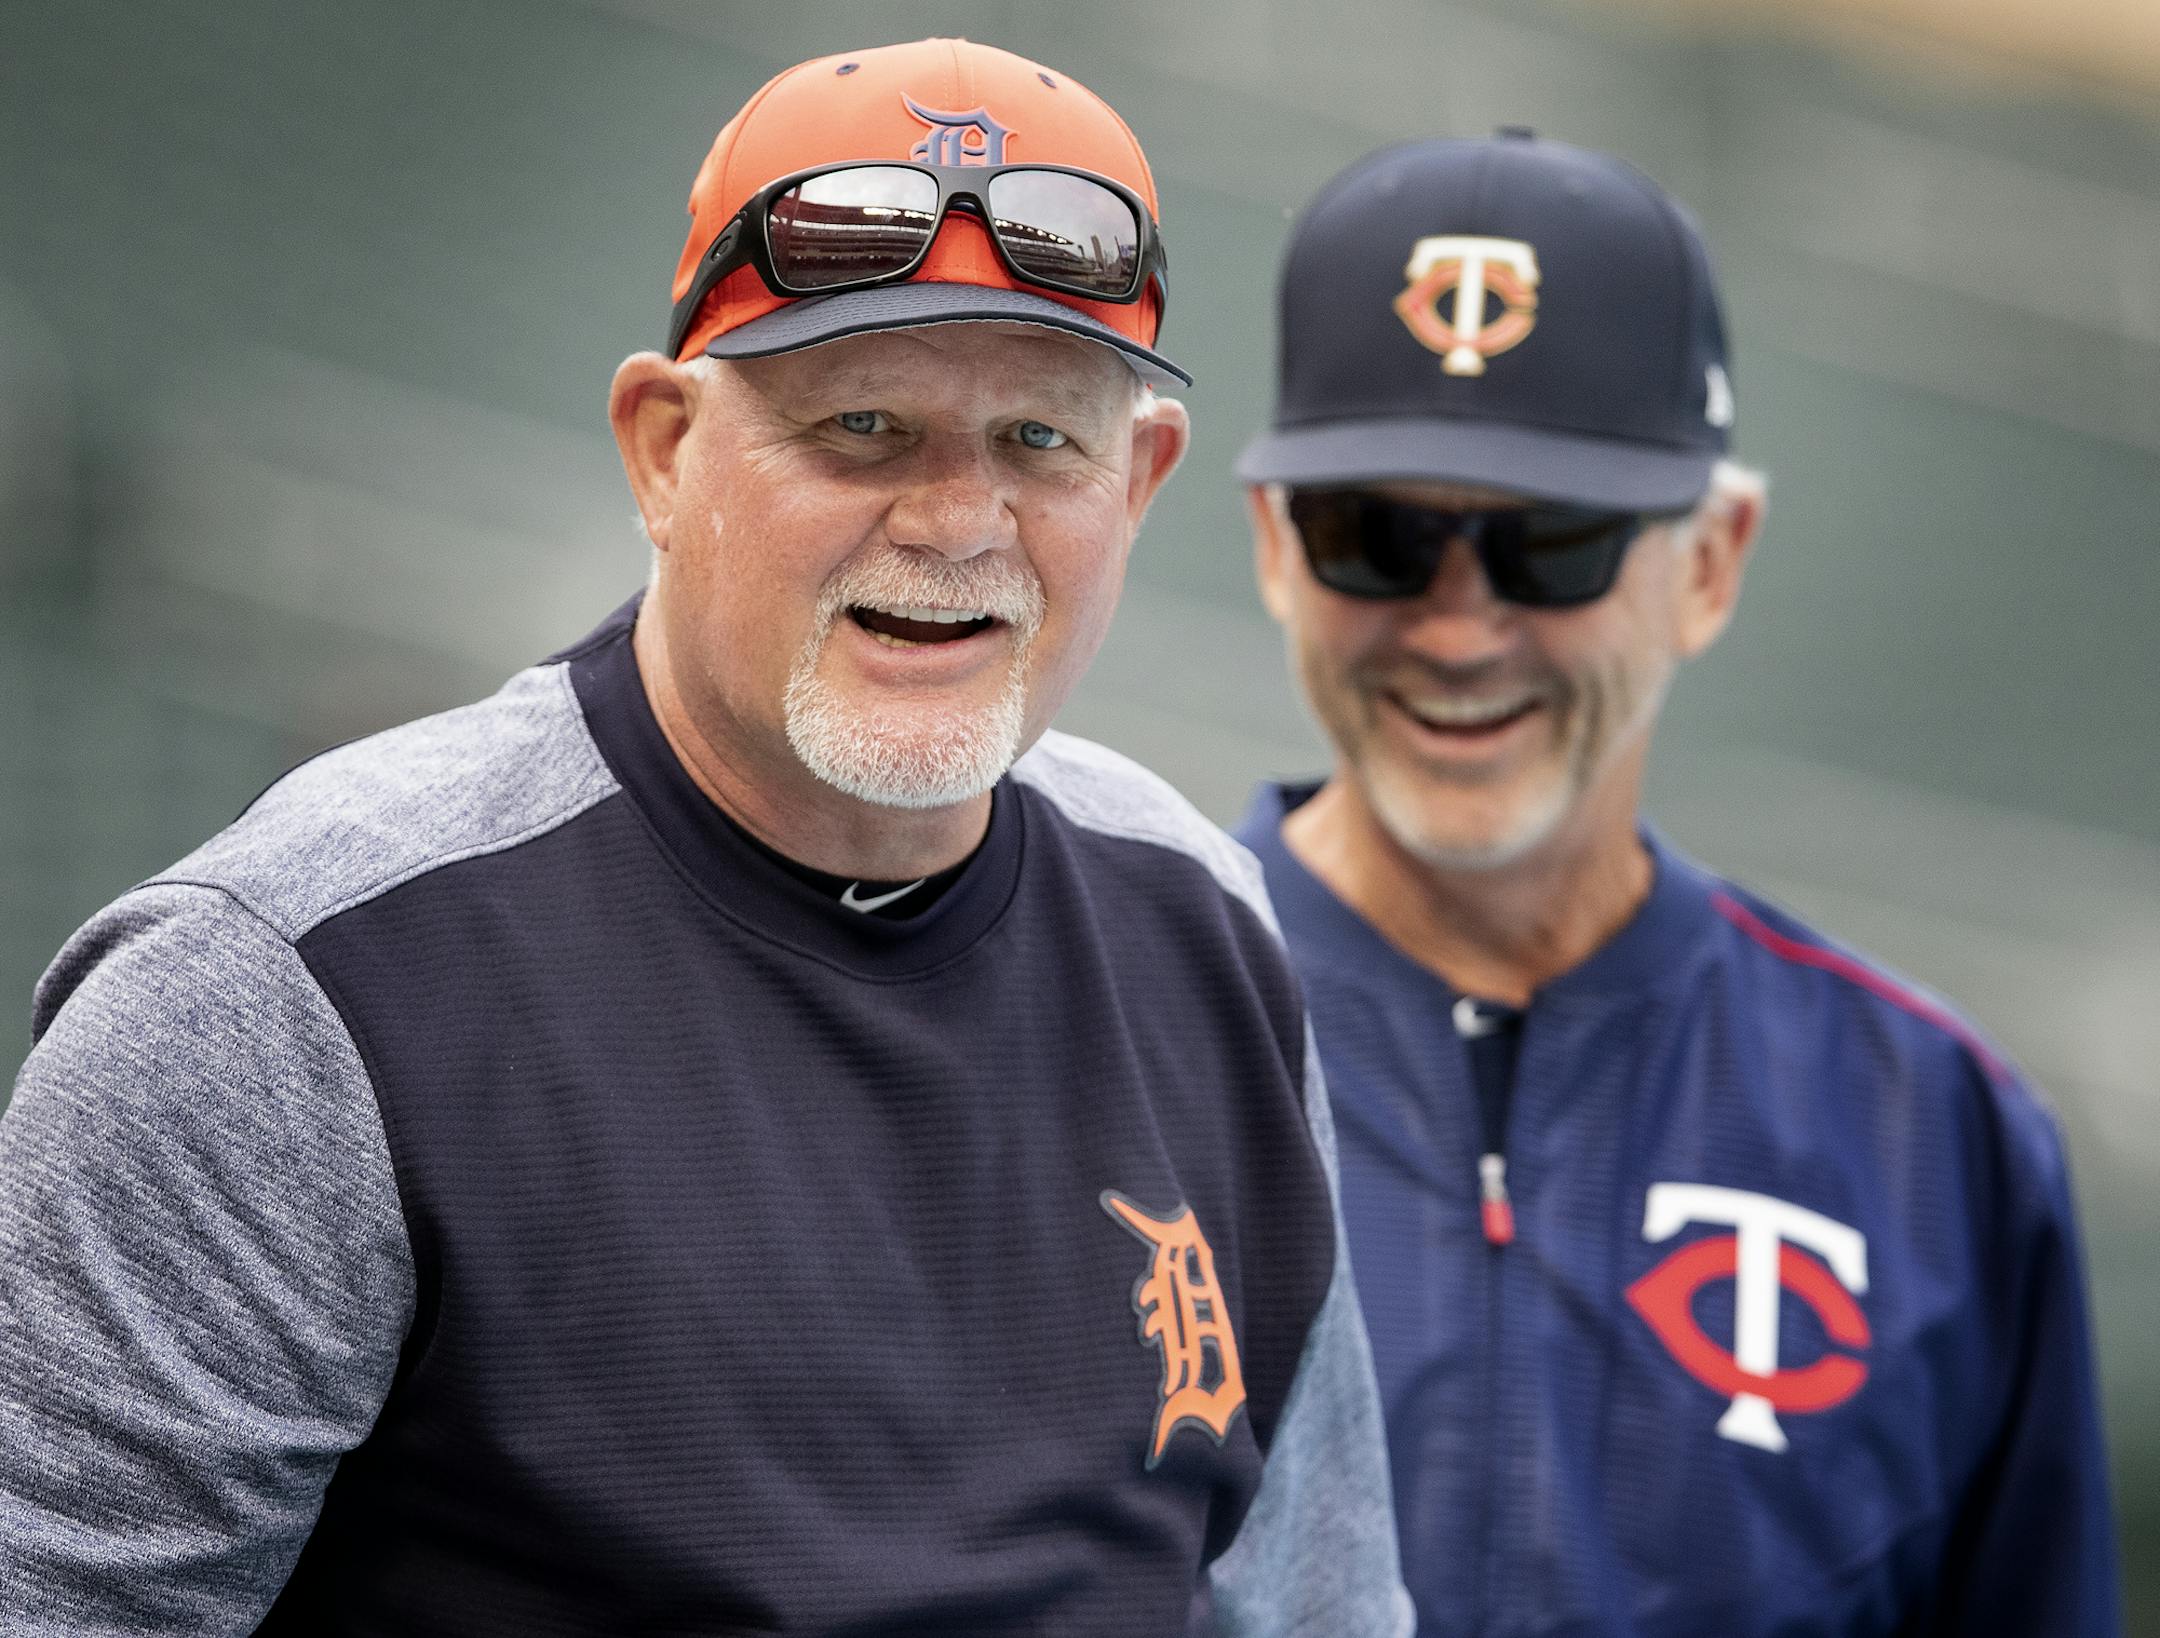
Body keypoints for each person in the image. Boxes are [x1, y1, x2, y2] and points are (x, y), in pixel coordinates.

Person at [0, 41, 1411, 1636]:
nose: (957, 522)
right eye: (864, 426)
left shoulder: (1205, 932)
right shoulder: (297, 986)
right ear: (665, 449)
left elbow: (1312, 1603)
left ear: (1139, 481)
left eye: (1039, 443)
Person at [1233, 131, 2119, 1635]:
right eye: (1375, 534)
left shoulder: (1930, 1133)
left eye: (1552, 547)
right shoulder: (1089, 1017)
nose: (1459, 629)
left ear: (1712, 559)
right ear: (1273, 541)